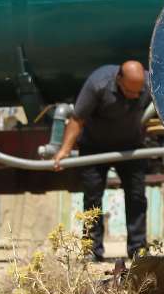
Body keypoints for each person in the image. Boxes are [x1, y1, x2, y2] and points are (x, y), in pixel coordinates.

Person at [53, 61, 152, 262]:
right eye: (129, 91)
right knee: (93, 199)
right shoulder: (98, 84)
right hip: (95, 147)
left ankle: (138, 250)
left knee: (137, 198)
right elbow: (77, 119)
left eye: (138, 92)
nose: (135, 96)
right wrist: (64, 150)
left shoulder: (150, 83)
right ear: (119, 79)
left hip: (130, 147)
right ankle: (91, 249)